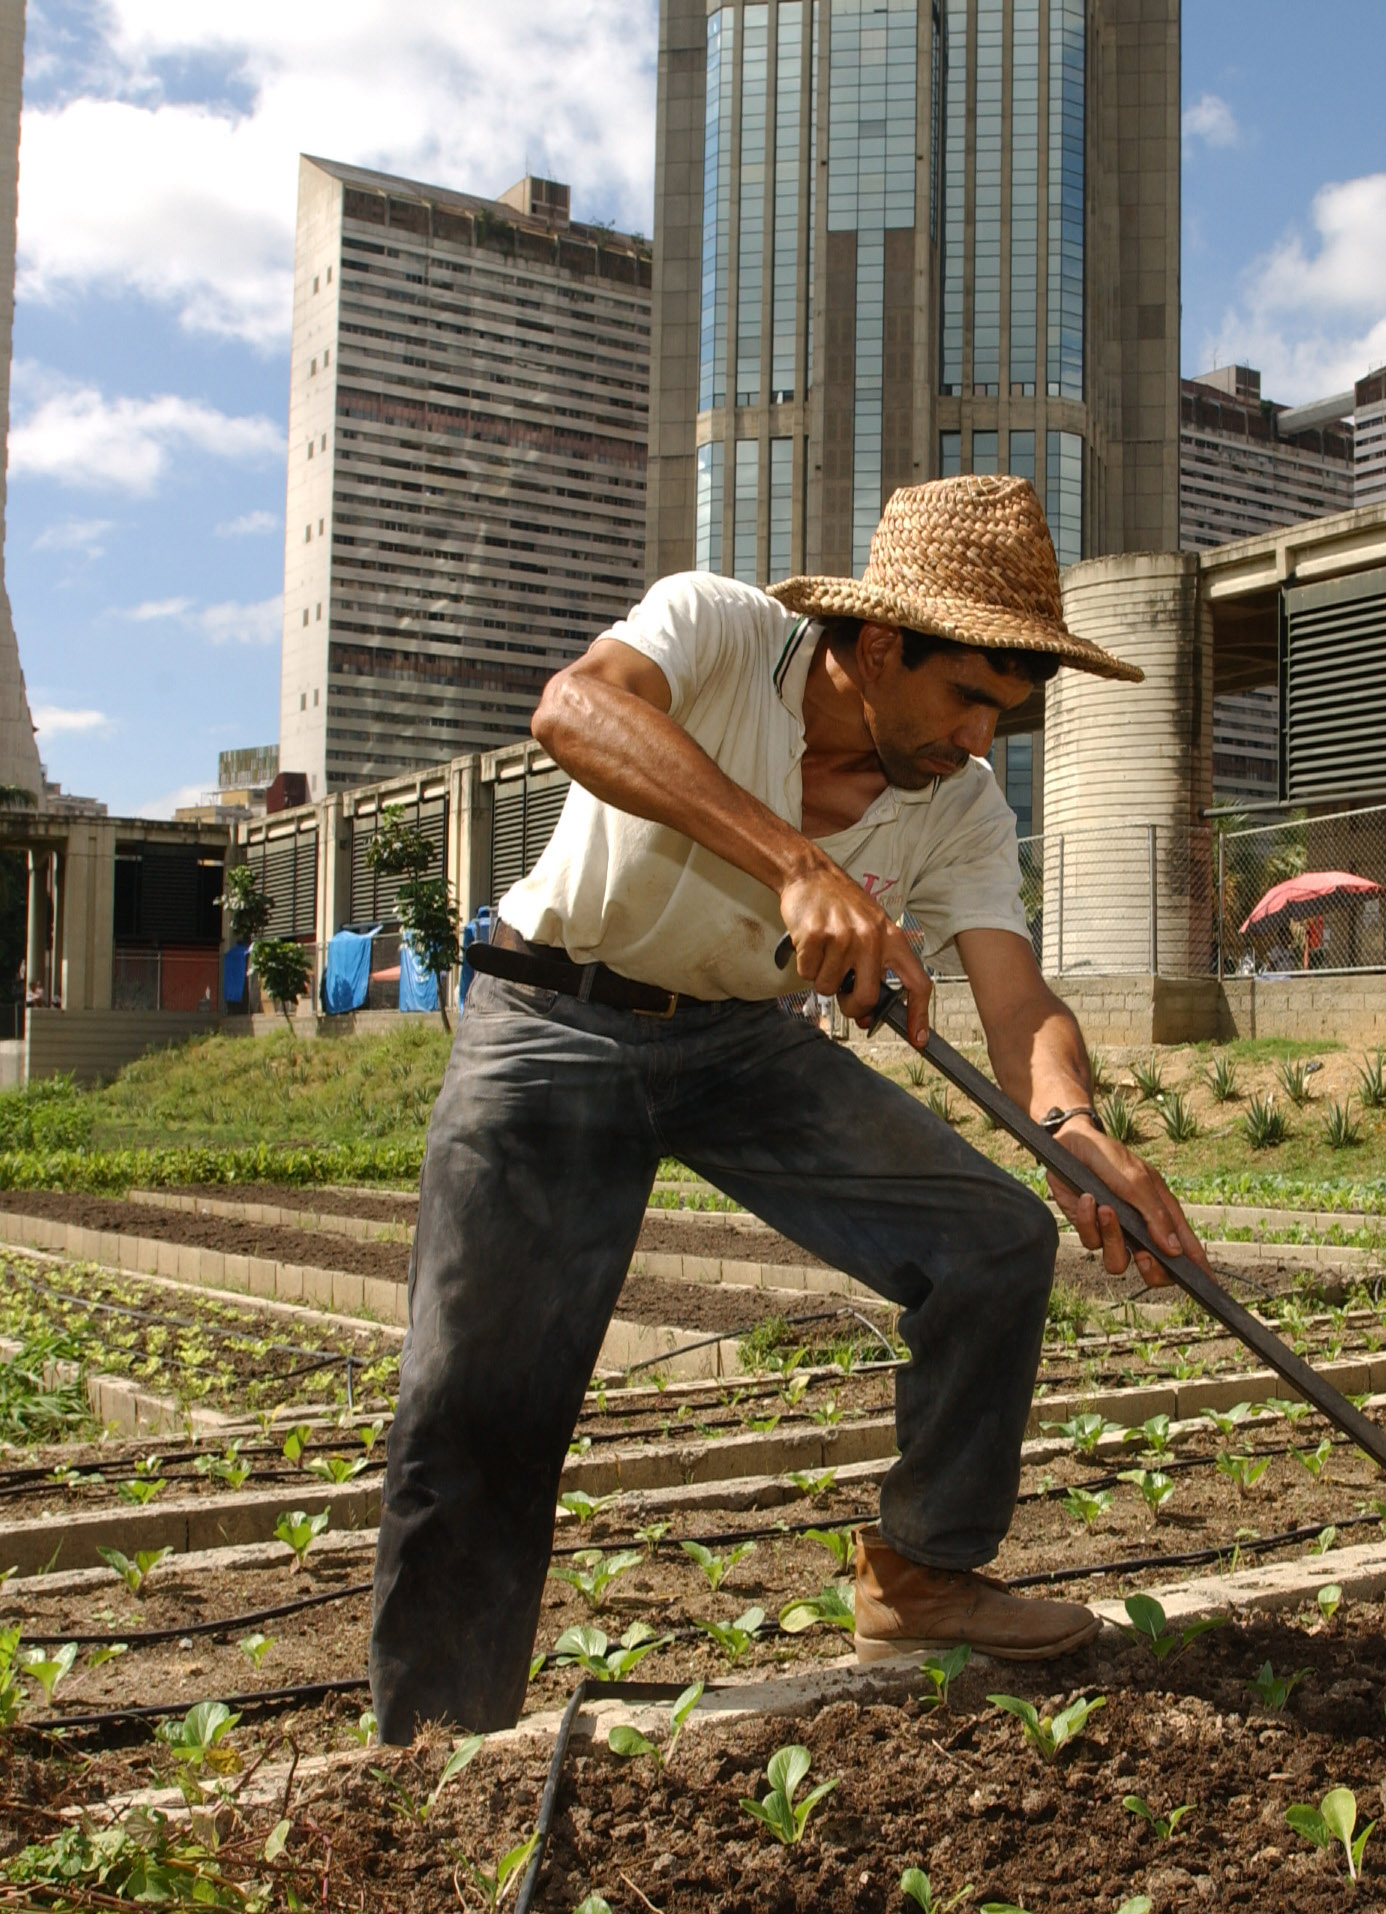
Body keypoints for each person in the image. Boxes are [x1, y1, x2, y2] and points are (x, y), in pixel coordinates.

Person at [368, 477, 1209, 1738]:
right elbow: (573, 708)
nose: (981, 736)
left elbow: (1017, 996)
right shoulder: (716, 628)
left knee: (991, 1238)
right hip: (551, 1021)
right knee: (476, 1406)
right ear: (879, 645)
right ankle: (431, 1751)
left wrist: (1072, 1129)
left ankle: (921, 1575)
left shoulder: (961, 801)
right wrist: (797, 865)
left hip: (735, 1048)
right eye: (966, 694)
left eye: (1005, 712)